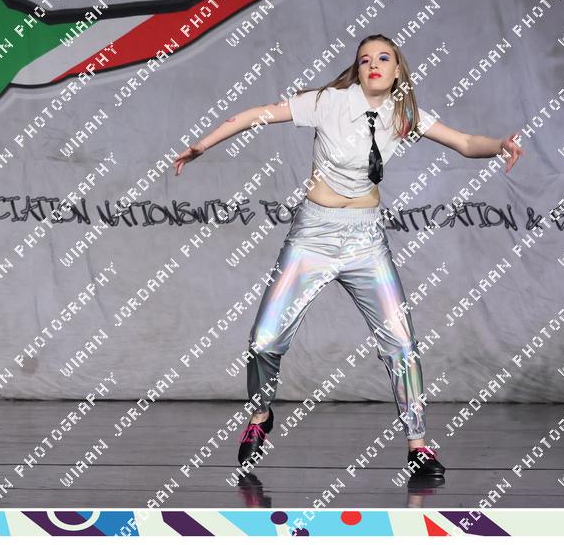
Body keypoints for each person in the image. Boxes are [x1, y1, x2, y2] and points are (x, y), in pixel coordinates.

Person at [174, 34, 524, 481]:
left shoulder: (405, 113)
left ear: (397, 70)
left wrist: (499, 145)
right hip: (313, 236)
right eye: (365, 60)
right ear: (356, 70)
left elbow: (466, 142)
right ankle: (260, 415)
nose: (373, 64)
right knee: (263, 340)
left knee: (402, 346)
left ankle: (418, 445)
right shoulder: (328, 102)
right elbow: (254, 114)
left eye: (383, 58)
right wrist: (203, 145)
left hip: (365, 240)